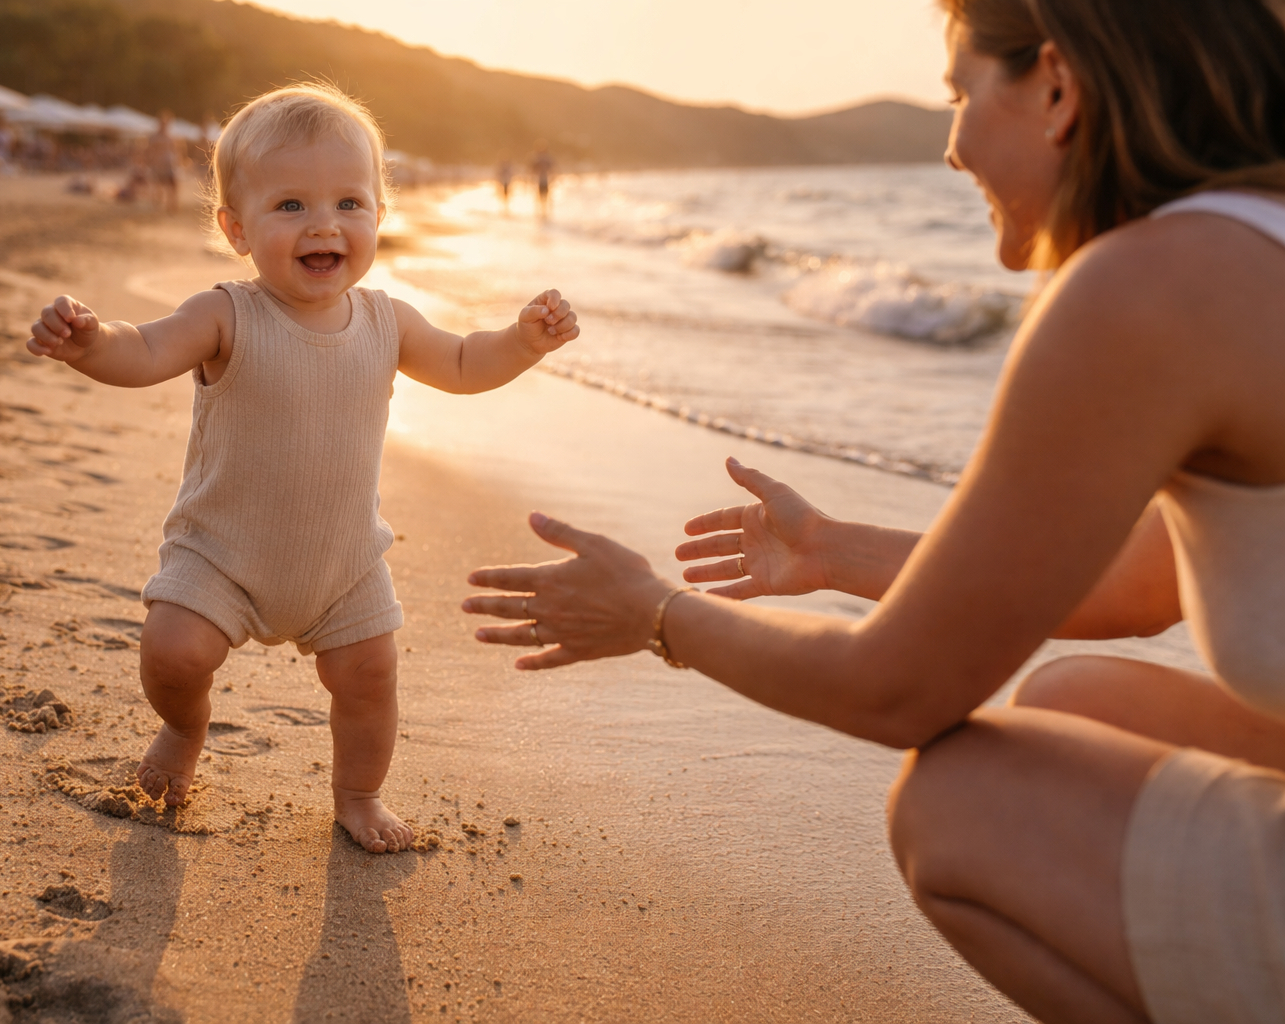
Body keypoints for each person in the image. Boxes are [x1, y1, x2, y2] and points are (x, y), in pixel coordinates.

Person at [462, 0, 1285, 1020]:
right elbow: (1136, 576)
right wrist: (830, 551)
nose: (949, 147)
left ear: (1061, 88)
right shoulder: (1250, 250)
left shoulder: (1150, 287)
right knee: (1076, 707)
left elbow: (896, 693)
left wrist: (656, 615)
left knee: (960, 805)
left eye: (960, 92)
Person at [28, 84, 580, 854]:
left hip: (343, 564)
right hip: (220, 553)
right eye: (290, 206)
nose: (324, 223)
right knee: (173, 653)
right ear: (236, 228)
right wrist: (90, 343)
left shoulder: (390, 320)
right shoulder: (226, 314)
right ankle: (185, 731)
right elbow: (145, 349)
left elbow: (461, 362)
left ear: (381, 213)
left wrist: (521, 342)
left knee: (370, 681)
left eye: (349, 202)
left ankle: (358, 795)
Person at [149, 112, 185, 214]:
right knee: (159, 187)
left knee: (172, 186)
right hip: (159, 166)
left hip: (169, 165)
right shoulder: (155, 138)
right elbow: (150, 151)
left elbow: (176, 151)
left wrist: (178, 162)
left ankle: (172, 206)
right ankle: (160, 203)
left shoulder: (171, 137)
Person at [529, 139, 553, 218]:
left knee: (545, 196)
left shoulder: (547, 158)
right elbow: (532, 170)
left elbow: (552, 168)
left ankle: (544, 211)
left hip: (545, 179)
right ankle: (540, 211)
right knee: (539, 196)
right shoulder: (536, 158)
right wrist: (531, 178)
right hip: (539, 180)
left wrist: (553, 177)